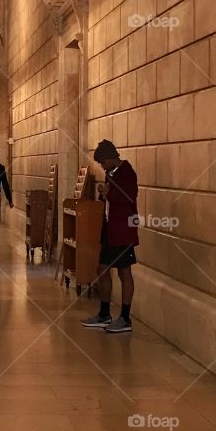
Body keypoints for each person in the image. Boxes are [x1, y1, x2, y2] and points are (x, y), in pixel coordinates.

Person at [82, 139, 138, 334]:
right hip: (110, 230)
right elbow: (109, 198)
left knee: (124, 272)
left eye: (103, 162)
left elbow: (129, 197)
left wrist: (109, 193)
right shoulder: (110, 173)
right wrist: (104, 195)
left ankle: (125, 318)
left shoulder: (127, 173)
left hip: (123, 230)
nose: (102, 167)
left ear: (111, 157)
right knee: (102, 269)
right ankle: (104, 313)